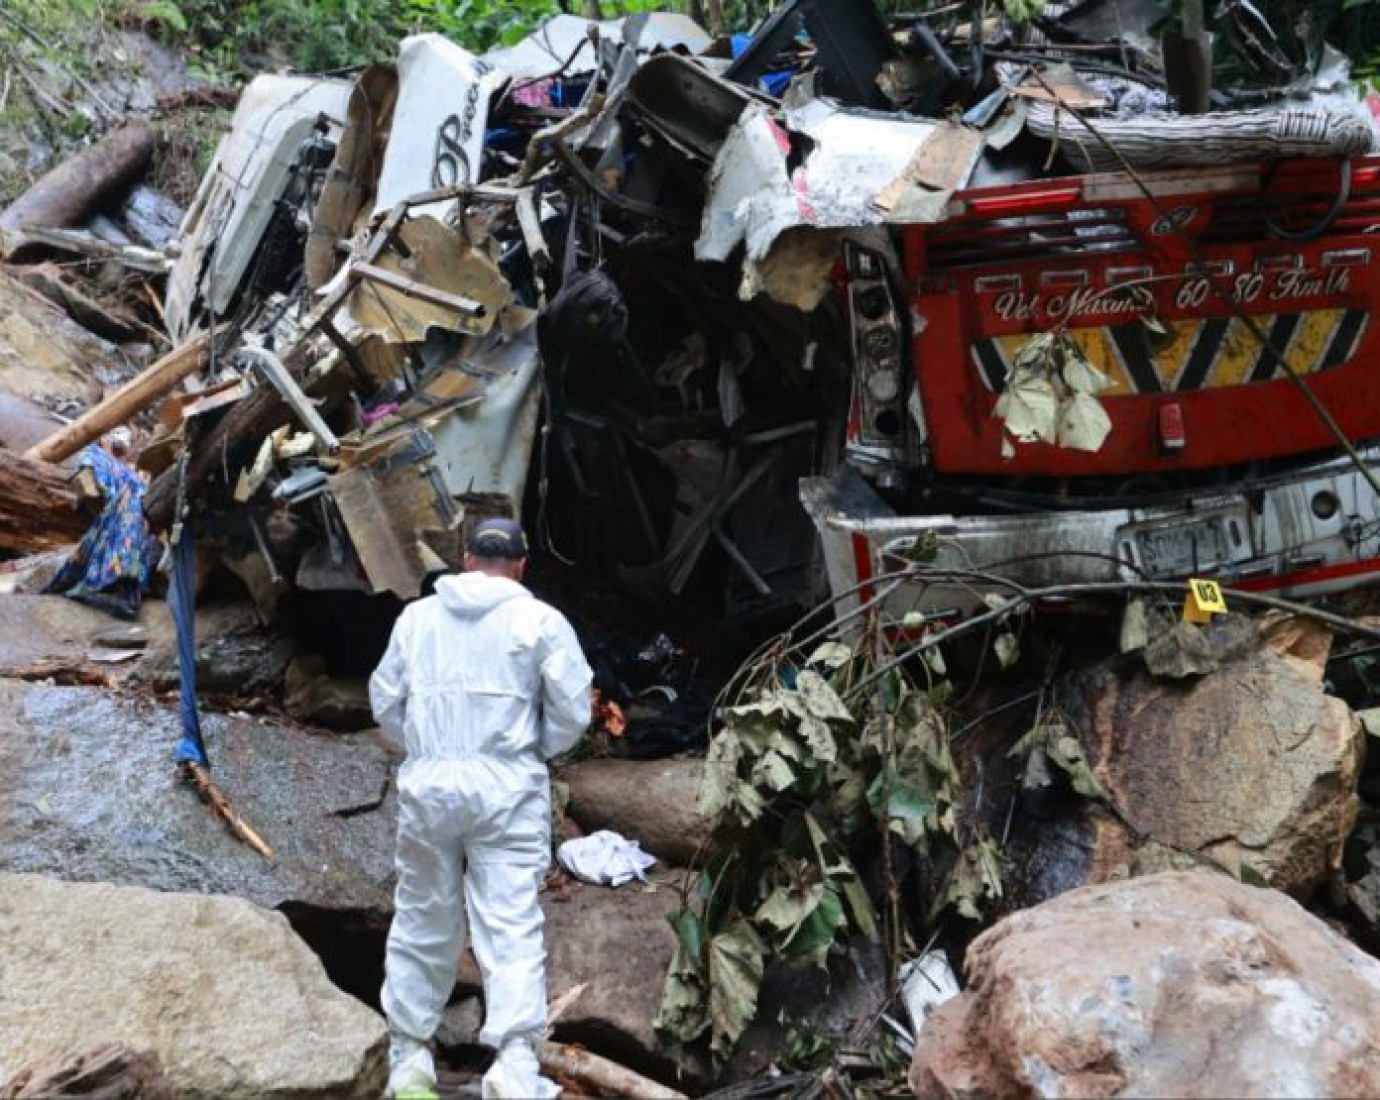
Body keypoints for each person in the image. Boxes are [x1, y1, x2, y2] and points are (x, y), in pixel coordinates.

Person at [370, 518, 593, 1100]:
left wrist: (426, 750)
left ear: (466, 560)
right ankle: (514, 1069)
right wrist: (534, 750)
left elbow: (385, 701)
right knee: (510, 922)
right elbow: (573, 713)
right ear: (520, 566)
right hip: (507, 790)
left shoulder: (417, 619)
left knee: (422, 918)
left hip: (430, 787)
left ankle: (409, 1061)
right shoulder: (541, 621)